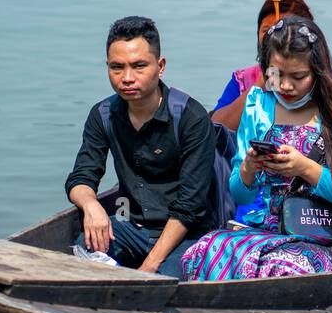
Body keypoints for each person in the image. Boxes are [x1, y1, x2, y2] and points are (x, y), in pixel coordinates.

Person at [181, 17, 332, 280]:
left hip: (327, 237)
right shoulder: (258, 106)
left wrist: (306, 168)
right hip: (269, 229)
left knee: (281, 268)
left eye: (298, 76)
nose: (285, 86)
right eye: (276, 74)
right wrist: (248, 168)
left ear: (317, 72)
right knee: (205, 249)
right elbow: (241, 195)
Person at [66, 16, 220, 278]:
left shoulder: (191, 118)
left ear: (160, 66)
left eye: (139, 66)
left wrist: (148, 268)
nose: (127, 78)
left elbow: (189, 207)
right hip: (131, 226)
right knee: (83, 250)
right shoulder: (103, 115)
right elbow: (81, 177)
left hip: (186, 235)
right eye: (117, 67)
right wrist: (92, 206)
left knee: (163, 283)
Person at [213, 0, 332, 133]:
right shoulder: (242, 80)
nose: (275, 38)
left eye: (298, 76)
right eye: (267, 30)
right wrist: (261, 83)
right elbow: (216, 129)